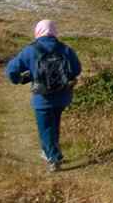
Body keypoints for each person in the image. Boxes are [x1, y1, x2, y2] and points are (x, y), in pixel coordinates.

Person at [5, 20, 82, 173]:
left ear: (38, 31)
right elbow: (77, 70)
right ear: (54, 31)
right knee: (54, 124)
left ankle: (53, 159)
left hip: (42, 98)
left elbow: (11, 70)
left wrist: (19, 80)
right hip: (63, 96)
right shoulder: (65, 49)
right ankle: (50, 151)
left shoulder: (30, 50)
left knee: (46, 128)